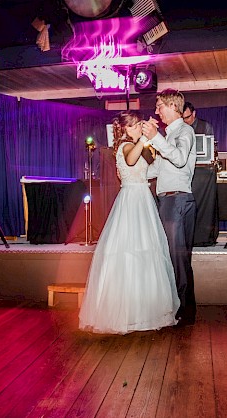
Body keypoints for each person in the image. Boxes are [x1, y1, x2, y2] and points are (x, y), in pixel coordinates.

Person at [78, 110, 179, 334]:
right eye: (134, 126)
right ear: (124, 129)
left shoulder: (138, 146)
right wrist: (144, 139)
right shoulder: (125, 146)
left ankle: (144, 311)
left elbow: (146, 171)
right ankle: (125, 313)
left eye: (138, 125)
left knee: (147, 250)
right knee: (130, 250)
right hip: (132, 200)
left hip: (143, 197)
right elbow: (132, 160)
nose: (138, 129)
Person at [143, 89, 198, 326]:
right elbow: (156, 169)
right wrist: (134, 174)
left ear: (173, 106)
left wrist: (155, 138)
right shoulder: (167, 136)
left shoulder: (185, 131)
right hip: (168, 201)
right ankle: (179, 307)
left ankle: (185, 312)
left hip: (177, 201)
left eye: (160, 107)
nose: (156, 112)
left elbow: (179, 158)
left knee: (178, 258)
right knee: (172, 257)